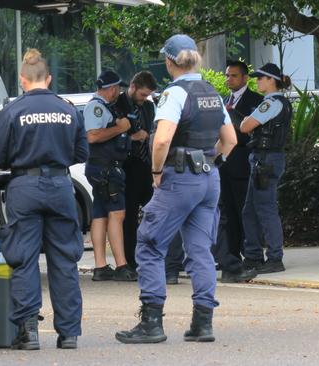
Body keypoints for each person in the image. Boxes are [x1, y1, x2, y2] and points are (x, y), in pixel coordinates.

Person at [115, 34, 237, 344]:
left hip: (179, 177)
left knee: (150, 243)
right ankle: (202, 324)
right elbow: (231, 140)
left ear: (170, 62)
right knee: (200, 250)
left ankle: (152, 323)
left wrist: (157, 172)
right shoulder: (212, 92)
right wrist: (210, 161)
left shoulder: (175, 94)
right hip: (209, 178)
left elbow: (162, 139)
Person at [0, 48, 88, 350]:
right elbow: (81, 154)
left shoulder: (13, 111)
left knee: (24, 258)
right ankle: (68, 333)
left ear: (22, 80)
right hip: (60, 186)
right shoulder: (68, 110)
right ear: (49, 77)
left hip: (25, 187)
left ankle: (28, 331)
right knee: (64, 261)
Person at [239, 62, 293, 274]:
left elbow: (245, 126)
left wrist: (245, 119)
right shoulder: (276, 102)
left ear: (272, 80)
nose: (257, 81)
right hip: (265, 159)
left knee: (265, 208)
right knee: (250, 209)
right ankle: (252, 255)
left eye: (261, 78)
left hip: (267, 160)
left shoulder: (271, 103)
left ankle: (274, 257)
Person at [83, 70, 137, 281]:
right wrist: (119, 128)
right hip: (106, 169)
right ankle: (122, 265)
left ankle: (100, 266)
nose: (120, 92)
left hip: (102, 169)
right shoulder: (96, 107)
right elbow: (93, 136)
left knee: (101, 215)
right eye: (118, 88)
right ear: (112, 88)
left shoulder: (103, 107)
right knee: (117, 215)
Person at [214, 60, 263, 283]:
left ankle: (250, 253)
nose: (229, 80)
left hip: (243, 163)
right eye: (227, 76)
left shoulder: (256, 101)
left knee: (245, 210)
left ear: (244, 78)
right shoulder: (225, 101)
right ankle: (229, 255)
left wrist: (233, 125)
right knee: (227, 212)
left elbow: (250, 133)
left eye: (233, 76)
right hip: (223, 163)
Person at [117, 71, 157, 271]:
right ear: (132, 87)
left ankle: (152, 256)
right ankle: (130, 260)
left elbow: (154, 130)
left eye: (147, 95)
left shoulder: (149, 107)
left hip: (147, 164)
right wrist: (130, 137)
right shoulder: (120, 103)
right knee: (129, 215)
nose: (144, 99)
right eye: (142, 94)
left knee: (153, 211)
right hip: (128, 164)